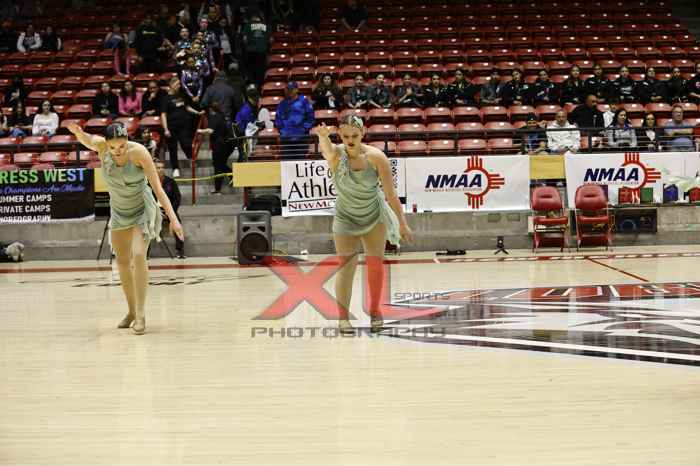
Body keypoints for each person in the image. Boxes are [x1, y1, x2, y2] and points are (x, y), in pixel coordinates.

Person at [67, 122, 184, 335]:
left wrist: (174, 220)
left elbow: (158, 189)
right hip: (119, 211)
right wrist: (78, 132)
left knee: (139, 255)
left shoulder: (139, 153)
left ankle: (140, 314)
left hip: (142, 208)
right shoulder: (102, 147)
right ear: (107, 144)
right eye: (113, 147)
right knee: (121, 262)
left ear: (127, 141)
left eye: (122, 146)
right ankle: (130, 311)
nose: (118, 151)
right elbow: (88, 140)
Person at [315, 115, 412, 334]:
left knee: (375, 265)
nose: (350, 140)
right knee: (346, 267)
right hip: (345, 216)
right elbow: (327, 150)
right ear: (340, 135)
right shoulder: (336, 155)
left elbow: (391, 195)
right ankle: (343, 319)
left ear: (363, 134)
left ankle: (375, 312)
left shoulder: (376, 157)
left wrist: (403, 223)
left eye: (354, 135)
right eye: (345, 136)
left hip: (374, 215)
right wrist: (323, 137)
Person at [161, 77, 204, 177]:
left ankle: (190, 158)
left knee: (186, 144)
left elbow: (187, 107)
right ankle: (175, 168)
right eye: (177, 84)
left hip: (184, 126)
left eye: (179, 84)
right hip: (171, 127)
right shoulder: (165, 99)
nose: (179, 86)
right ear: (171, 85)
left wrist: (197, 112)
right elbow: (163, 114)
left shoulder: (181, 95)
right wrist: (166, 129)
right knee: (173, 149)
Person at [197, 100, 233, 194]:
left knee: (218, 166)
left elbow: (210, 130)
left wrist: (200, 131)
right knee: (220, 164)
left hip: (219, 145)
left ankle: (217, 189)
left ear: (210, 109)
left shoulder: (214, 117)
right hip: (227, 144)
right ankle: (233, 175)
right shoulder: (221, 116)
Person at [153, 160, 185, 258]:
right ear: (153, 169)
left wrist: (170, 212)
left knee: (177, 223)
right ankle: (144, 253)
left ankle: (180, 251)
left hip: (169, 210)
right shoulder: (149, 182)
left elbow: (177, 198)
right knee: (144, 224)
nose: (161, 169)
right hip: (153, 210)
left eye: (162, 167)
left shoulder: (171, 182)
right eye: (158, 168)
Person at [275, 81, 314, 158]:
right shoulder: (282, 104)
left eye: (291, 89)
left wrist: (303, 129)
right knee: (287, 162)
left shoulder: (304, 101)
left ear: (296, 90)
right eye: (288, 89)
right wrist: (282, 131)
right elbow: (278, 119)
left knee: (300, 162)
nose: (289, 92)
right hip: (286, 139)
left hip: (301, 138)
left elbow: (310, 117)